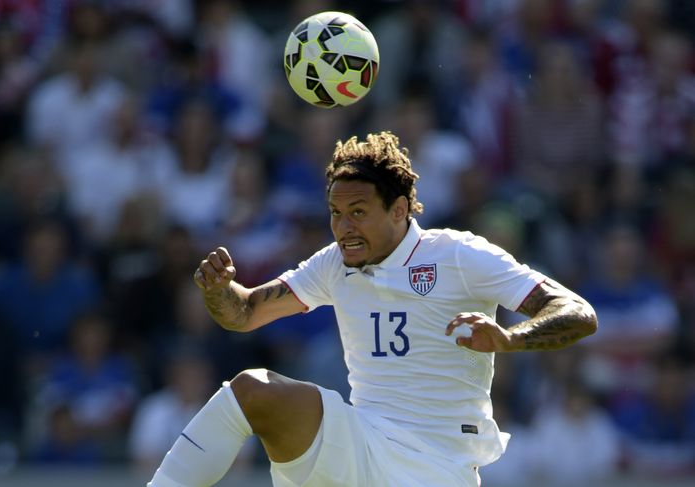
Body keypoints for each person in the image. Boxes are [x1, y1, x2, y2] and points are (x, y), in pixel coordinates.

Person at [147, 131, 598, 487]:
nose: (343, 228)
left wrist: (510, 338)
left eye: (358, 212)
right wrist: (218, 293)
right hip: (361, 445)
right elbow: (244, 314)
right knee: (254, 390)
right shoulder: (333, 263)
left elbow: (577, 312)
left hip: (438, 470)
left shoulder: (458, 254)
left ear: (400, 210)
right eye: (335, 213)